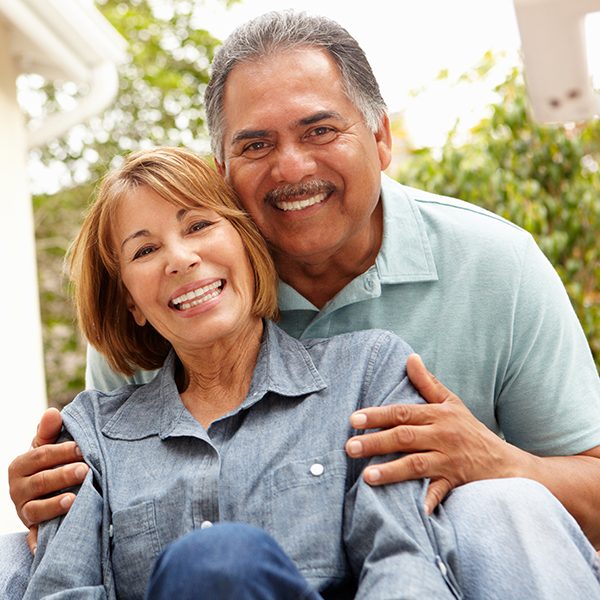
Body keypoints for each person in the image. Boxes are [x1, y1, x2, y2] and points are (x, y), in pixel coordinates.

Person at [7, 4, 600, 572]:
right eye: (256, 145)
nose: (291, 168)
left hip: (437, 570)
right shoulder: (186, 294)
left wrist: (500, 463)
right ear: (223, 173)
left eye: (320, 130)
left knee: (503, 504)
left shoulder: (494, 262)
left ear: (381, 138)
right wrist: (58, 499)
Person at [19, 147, 600, 600]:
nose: (179, 258)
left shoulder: (367, 373)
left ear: (247, 245)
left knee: (221, 561)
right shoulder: (93, 432)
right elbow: (64, 588)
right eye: (144, 251)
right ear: (129, 301)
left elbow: (404, 560)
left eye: (198, 226)